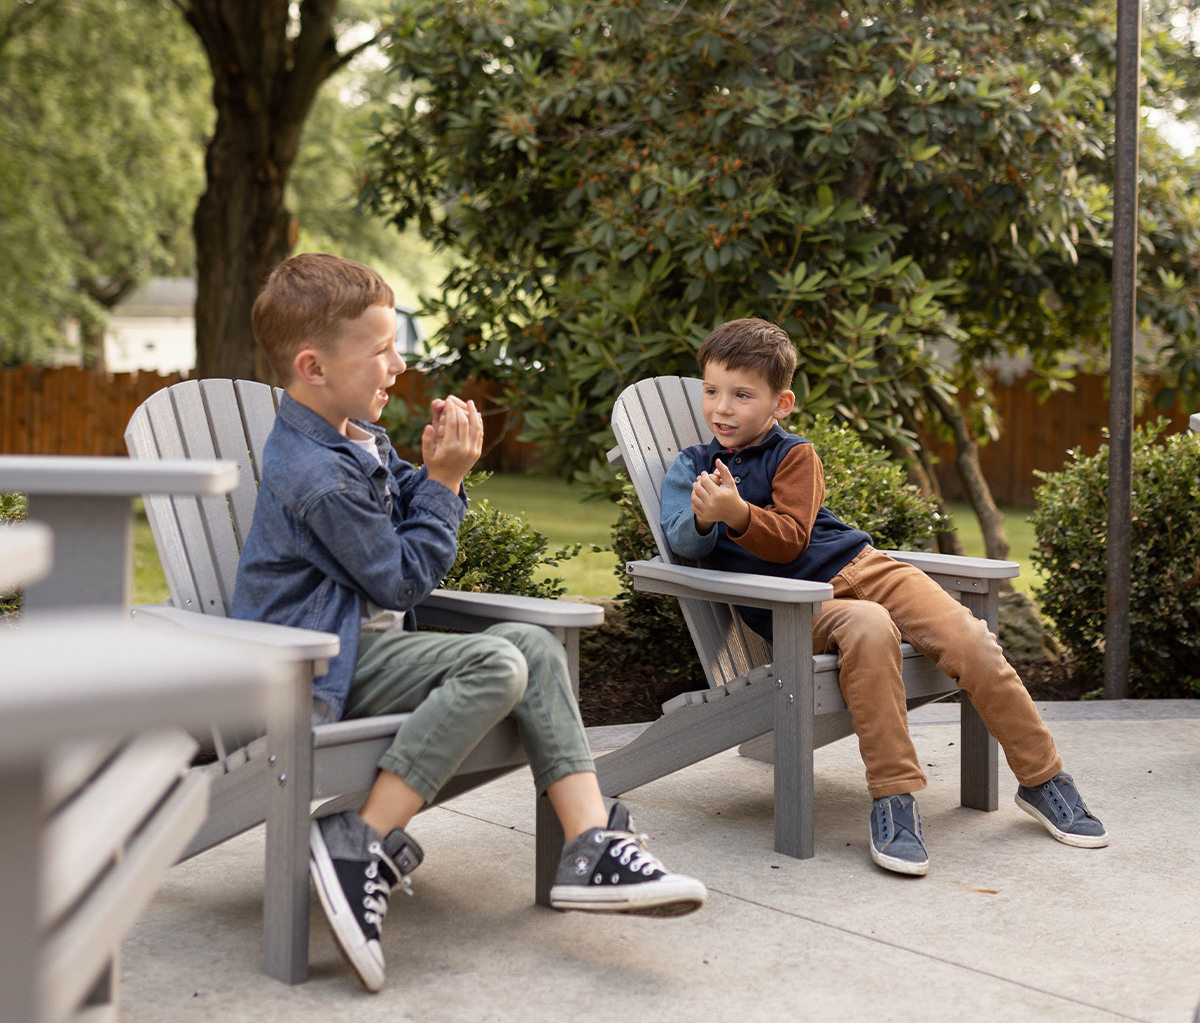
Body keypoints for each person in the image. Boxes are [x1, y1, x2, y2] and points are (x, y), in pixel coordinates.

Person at [232, 253, 706, 992]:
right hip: (313, 666)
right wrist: (447, 484)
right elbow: (397, 575)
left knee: (535, 648)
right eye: (381, 350)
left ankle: (590, 844)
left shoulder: (351, 437)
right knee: (499, 664)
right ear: (312, 367)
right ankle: (360, 838)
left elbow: (384, 537)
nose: (398, 364)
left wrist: (428, 474)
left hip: (364, 649)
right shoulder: (316, 473)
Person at [660, 317, 1107, 877]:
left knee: (968, 636)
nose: (722, 408)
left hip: (863, 566)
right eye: (711, 391)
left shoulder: (795, 455)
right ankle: (894, 801)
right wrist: (706, 519)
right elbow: (681, 538)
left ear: (781, 404)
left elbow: (792, 537)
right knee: (870, 628)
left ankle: (1043, 780)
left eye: (742, 395)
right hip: (802, 607)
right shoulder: (692, 467)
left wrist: (740, 514)